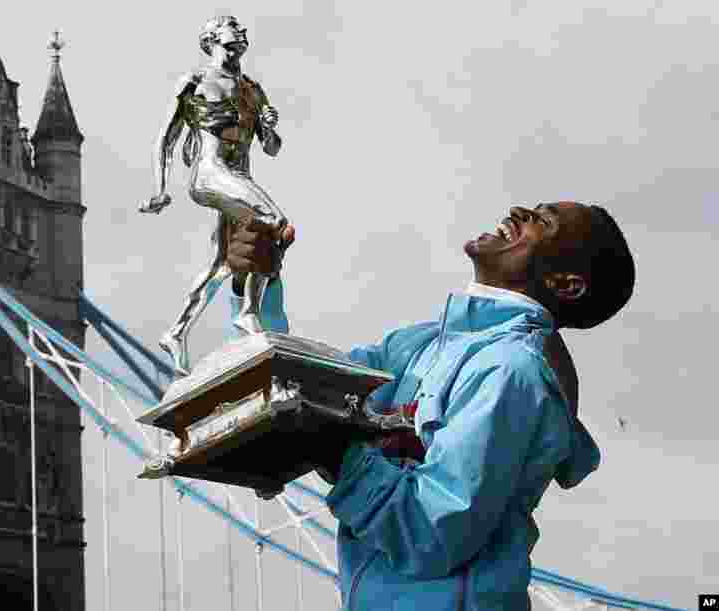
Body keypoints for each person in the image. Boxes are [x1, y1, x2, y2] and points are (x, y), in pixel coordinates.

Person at [226, 202, 635, 611]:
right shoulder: (415, 346)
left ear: (566, 285)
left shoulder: (515, 370)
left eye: (542, 222)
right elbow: (299, 383)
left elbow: (432, 533)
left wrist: (332, 449)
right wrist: (257, 284)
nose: (519, 209)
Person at [140, 16, 294, 373]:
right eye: (231, 28)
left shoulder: (252, 90)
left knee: (222, 264)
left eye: (240, 30)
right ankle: (248, 313)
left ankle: (176, 332)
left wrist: (269, 128)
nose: (239, 32)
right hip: (210, 174)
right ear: (211, 40)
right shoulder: (196, 82)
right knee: (274, 221)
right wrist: (160, 189)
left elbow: (271, 148)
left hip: (239, 180)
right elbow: (165, 138)